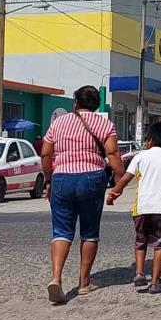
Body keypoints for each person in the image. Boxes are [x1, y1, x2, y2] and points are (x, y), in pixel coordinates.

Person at [40, 85, 124, 304]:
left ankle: (56, 278)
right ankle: (84, 282)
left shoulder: (59, 122)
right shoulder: (105, 124)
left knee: (61, 230)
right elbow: (113, 153)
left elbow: (46, 153)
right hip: (92, 178)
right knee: (89, 231)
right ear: (96, 104)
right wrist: (119, 179)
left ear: (75, 102)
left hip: (62, 177)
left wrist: (49, 179)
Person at [105, 120, 161, 294]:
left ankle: (139, 273)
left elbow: (125, 178)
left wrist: (113, 194)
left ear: (149, 141)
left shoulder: (140, 157)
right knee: (160, 245)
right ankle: (155, 282)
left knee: (140, 241)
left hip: (141, 208)